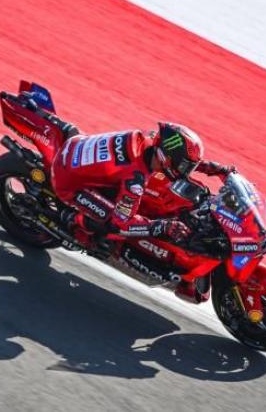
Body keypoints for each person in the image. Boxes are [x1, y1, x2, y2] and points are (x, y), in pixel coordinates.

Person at [50, 122, 234, 299]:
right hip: (69, 184)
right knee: (113, 226)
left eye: (190, 166)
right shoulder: (135, 181)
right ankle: (73, 219)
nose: (187, 172)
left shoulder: (148, 141)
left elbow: (175, 157)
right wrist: (162, 227)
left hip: (76, 148)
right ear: (167, 158)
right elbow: (122, 223)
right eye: (186, 166)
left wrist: (208, 168)